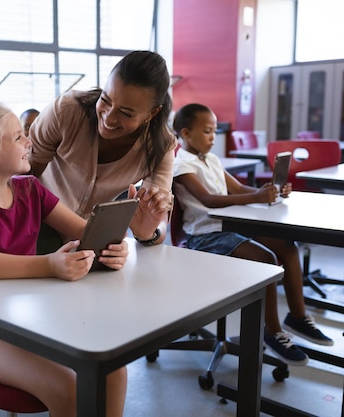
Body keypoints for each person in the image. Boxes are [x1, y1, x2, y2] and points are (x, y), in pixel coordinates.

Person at [0, 100, 128, 417]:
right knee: (66, 388)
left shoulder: (30, 189)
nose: (29, 142)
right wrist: (48, 264)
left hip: (31, 323)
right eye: (18, 137)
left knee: (112, 370)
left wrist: (111, 246)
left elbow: (86, 232)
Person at [172, 103, 334, 366]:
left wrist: (269, 191)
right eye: (207, 132)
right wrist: (256, 196)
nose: (213, 137)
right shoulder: (182, 164)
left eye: (214, 131)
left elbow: (235, 188)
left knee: (286, 245)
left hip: (229, 227)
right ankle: (271, 332)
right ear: (186, 133)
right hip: (205, 236)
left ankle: (297, 316)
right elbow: (208, 200)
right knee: (266, 259)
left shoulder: (210, 159)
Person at [29, 50, 175, 250]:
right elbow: (23, 179)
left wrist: (148, 231)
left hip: (90, 240)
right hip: (37, 224)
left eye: (125, 113)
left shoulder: (161, 146)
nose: (108, 117)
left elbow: (157, 221)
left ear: (152, 113)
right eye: (105, 100)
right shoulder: (66, 111)